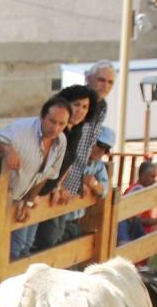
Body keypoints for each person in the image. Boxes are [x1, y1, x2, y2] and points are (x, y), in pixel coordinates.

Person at [0, 94, 72, 259]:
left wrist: (29, 201)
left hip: (24, 198)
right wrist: (6, 147)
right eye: (52, 121)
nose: (56, 128)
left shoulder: (61, 141)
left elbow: (45, 175)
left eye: (61, 124)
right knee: (10, 250)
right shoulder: (21, 131)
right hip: (1, 198)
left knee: (25, 247)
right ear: (42, 117)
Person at [33, 62, 113, 251]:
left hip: (67, 181)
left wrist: (75, 183)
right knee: (42, 241)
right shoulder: (71, 105)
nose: (105, 86)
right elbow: (56, 152)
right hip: (45, 183)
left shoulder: (100, 107)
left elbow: (81, 151)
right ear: (88, 78)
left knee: (56, 239)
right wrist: (61, 185)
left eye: (110, 82)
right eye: (101, 80)